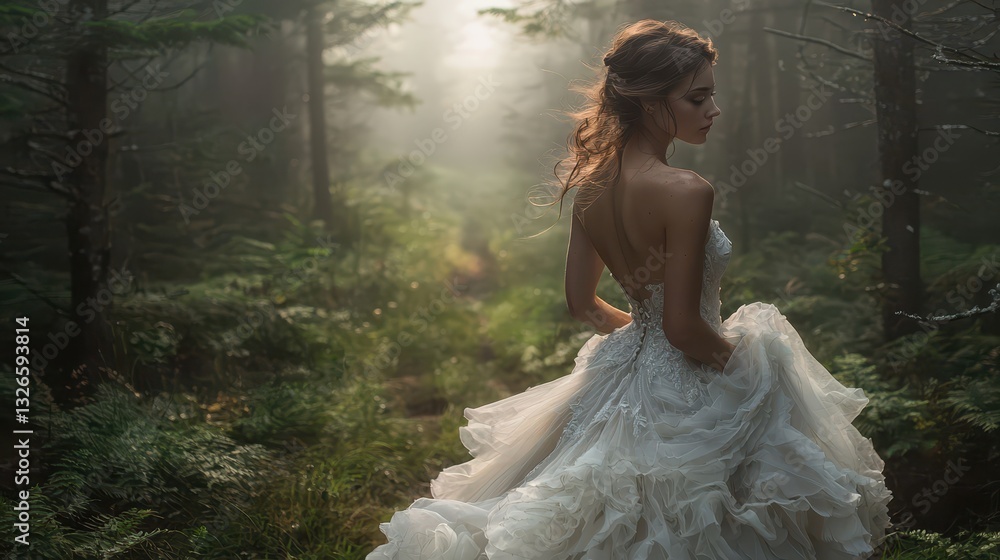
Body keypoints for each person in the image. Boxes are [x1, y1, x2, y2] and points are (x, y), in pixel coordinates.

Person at [367, 19, 892, 560]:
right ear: (647, 101)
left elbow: (582, 305)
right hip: (686, 377)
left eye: (711, 95)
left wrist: (644, 339)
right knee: (700, 515)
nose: (713, 109)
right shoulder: (687, 190)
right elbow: (683, 328)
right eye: (697, 98)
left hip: (624, 369)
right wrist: (746, 368)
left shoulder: (592, 184)